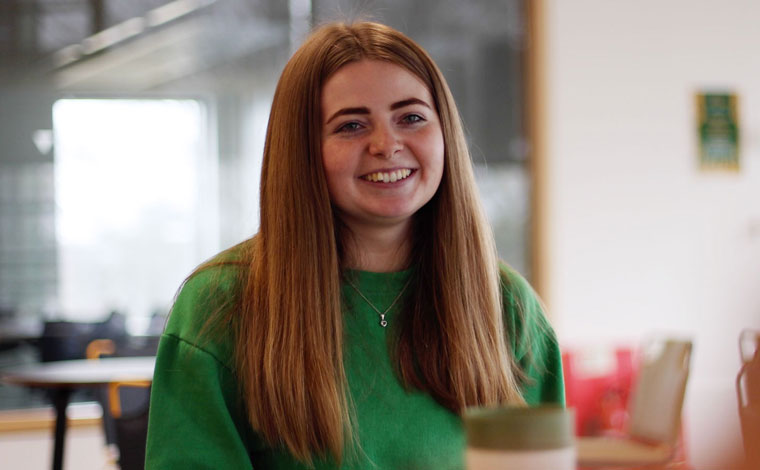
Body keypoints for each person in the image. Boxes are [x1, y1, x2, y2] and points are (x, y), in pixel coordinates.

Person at [145, 21, 564, 470]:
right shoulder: (220, 305)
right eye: (351, 126)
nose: (386, 145)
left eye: (412, 117)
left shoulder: (508, 306)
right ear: (303, 150)